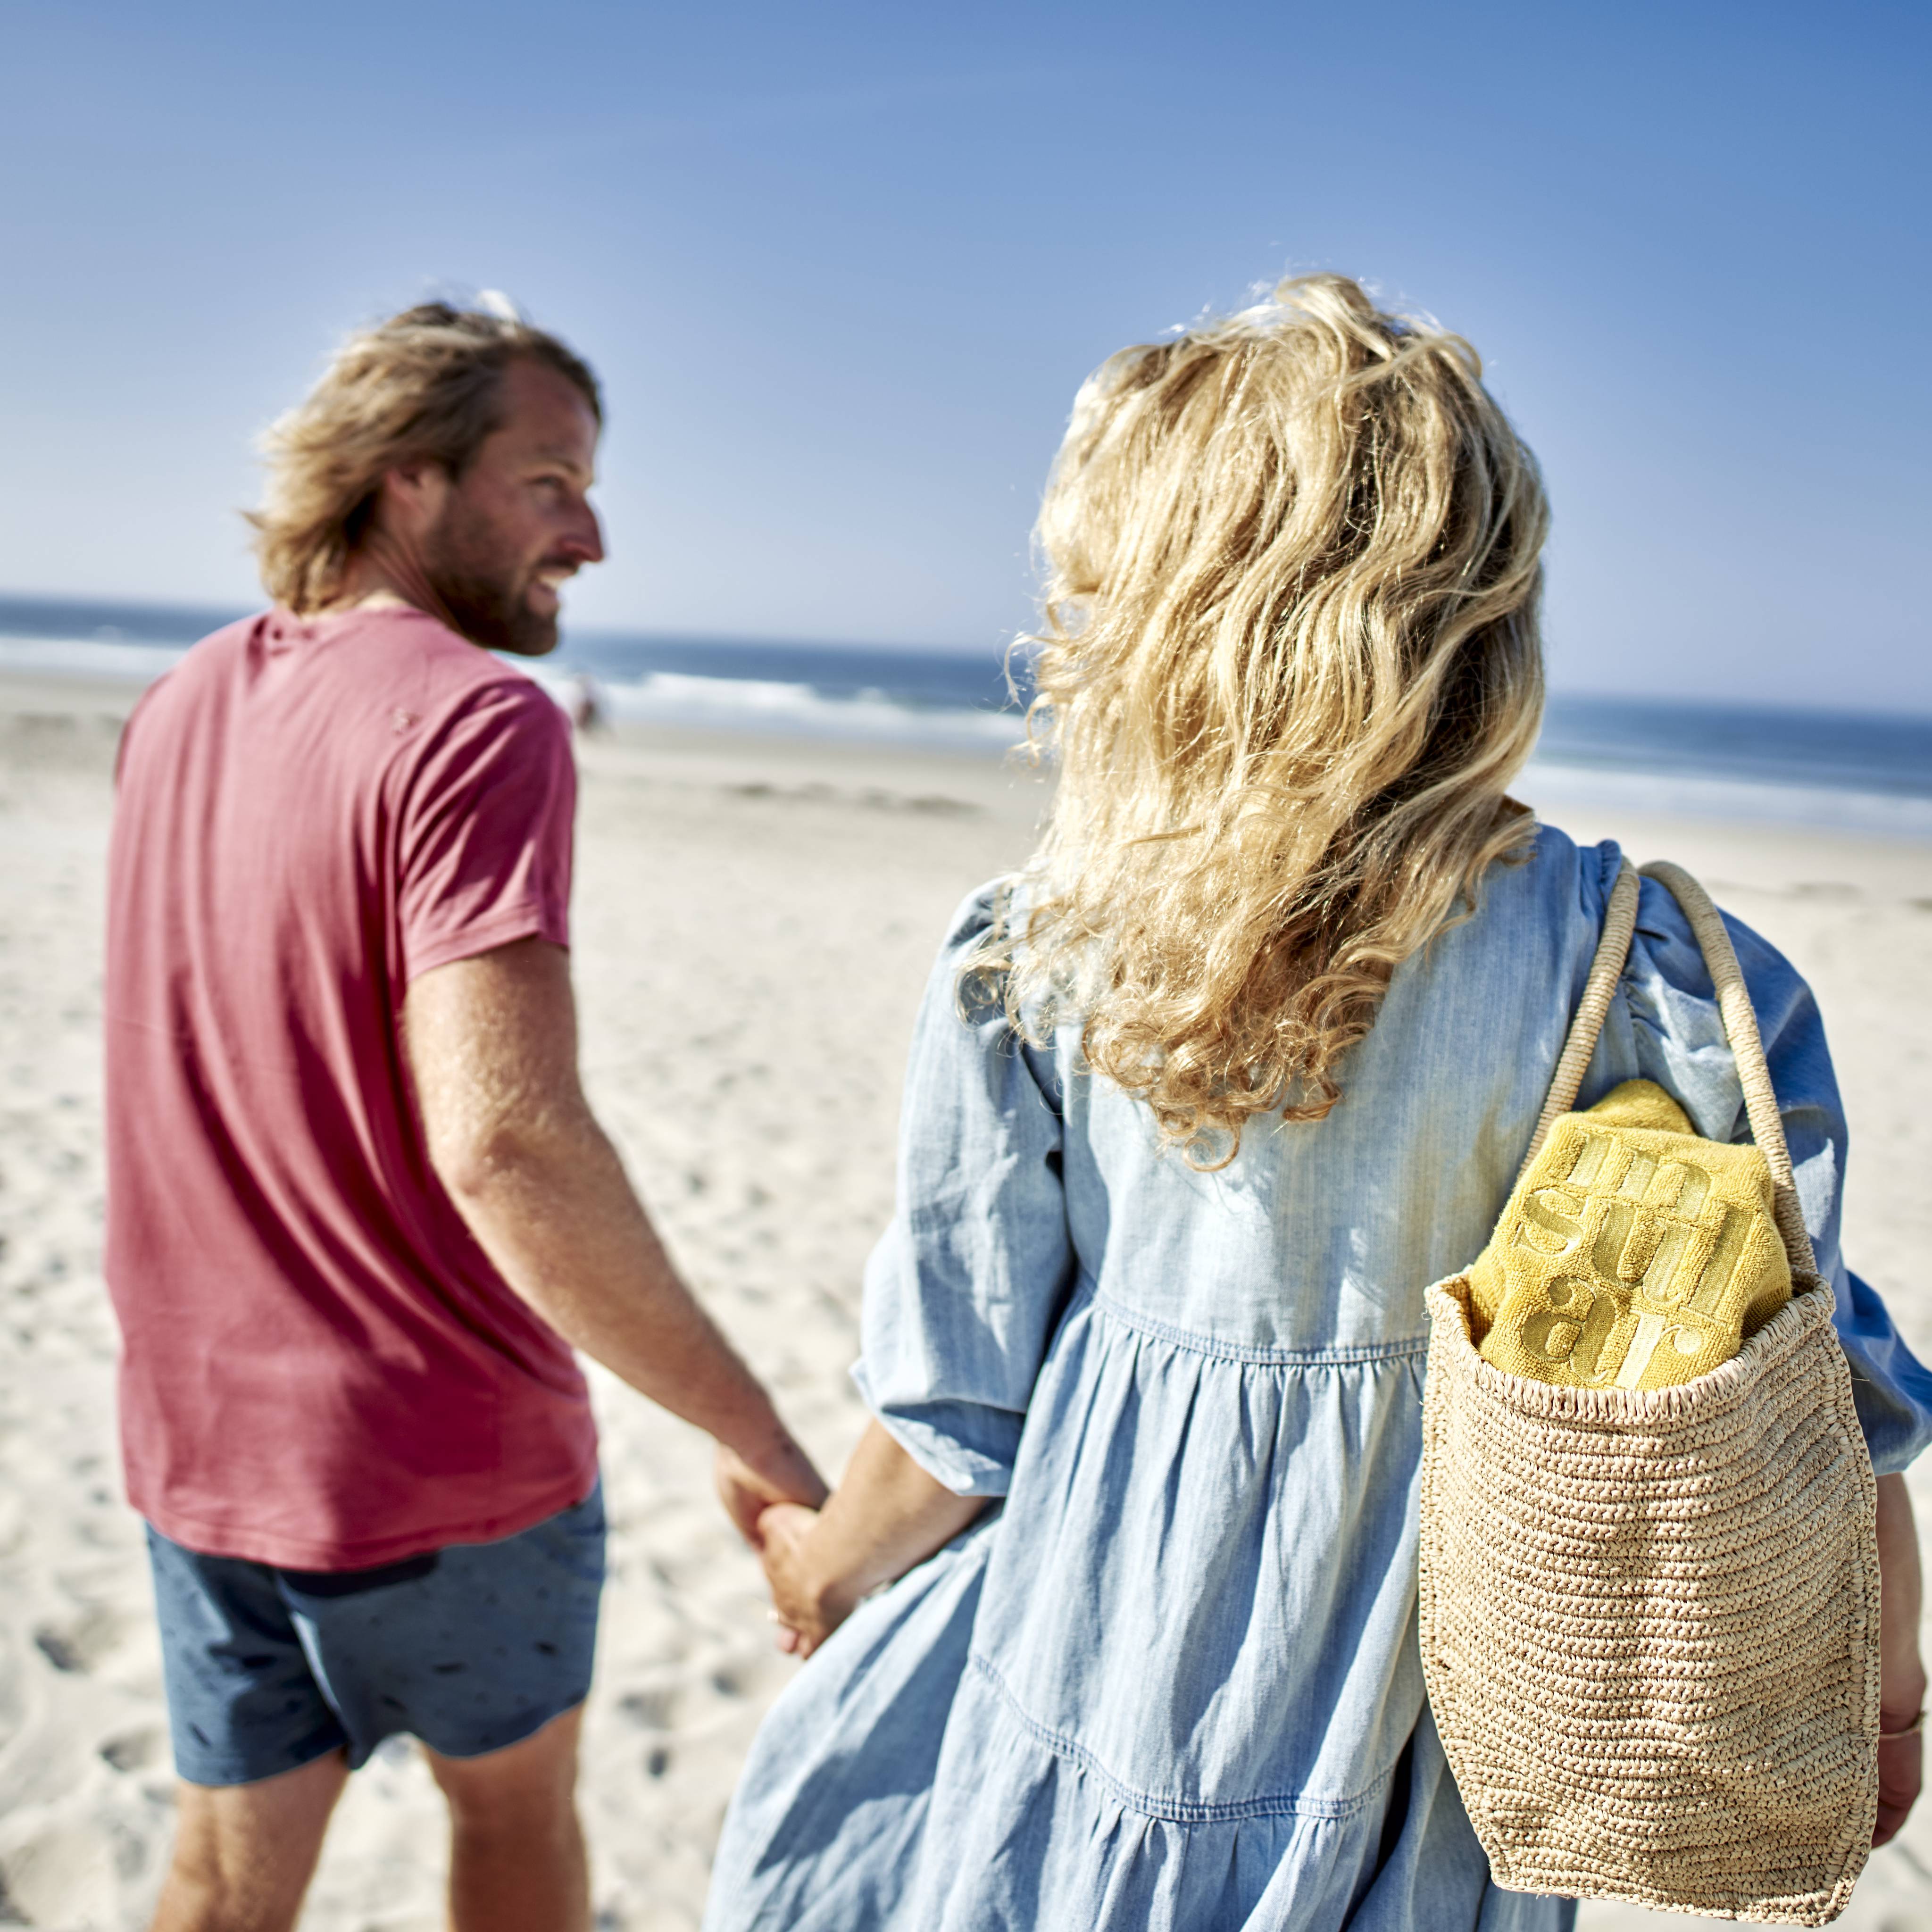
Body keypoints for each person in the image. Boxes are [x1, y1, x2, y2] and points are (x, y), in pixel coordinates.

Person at [703, 275, 1932, 1931]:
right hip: (1430, 1732)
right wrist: (1884, 1697)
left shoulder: (1042, 954)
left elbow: (955, 1410)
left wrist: (821, 1568)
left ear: (1141, 607)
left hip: (1089, 1675)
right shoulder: (1655, 975)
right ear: (1478, 606)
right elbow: (1817, 1401)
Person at [104, 303, 825, 1932]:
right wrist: (753, 1434)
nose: (593, 532)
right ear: (405, 480)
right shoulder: (477, 722)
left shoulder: (176, 706)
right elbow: (507, 1140)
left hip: (198, 1443)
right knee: (513, 1837)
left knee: (221, 1881)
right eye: (551, 480)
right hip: (437, 1460)